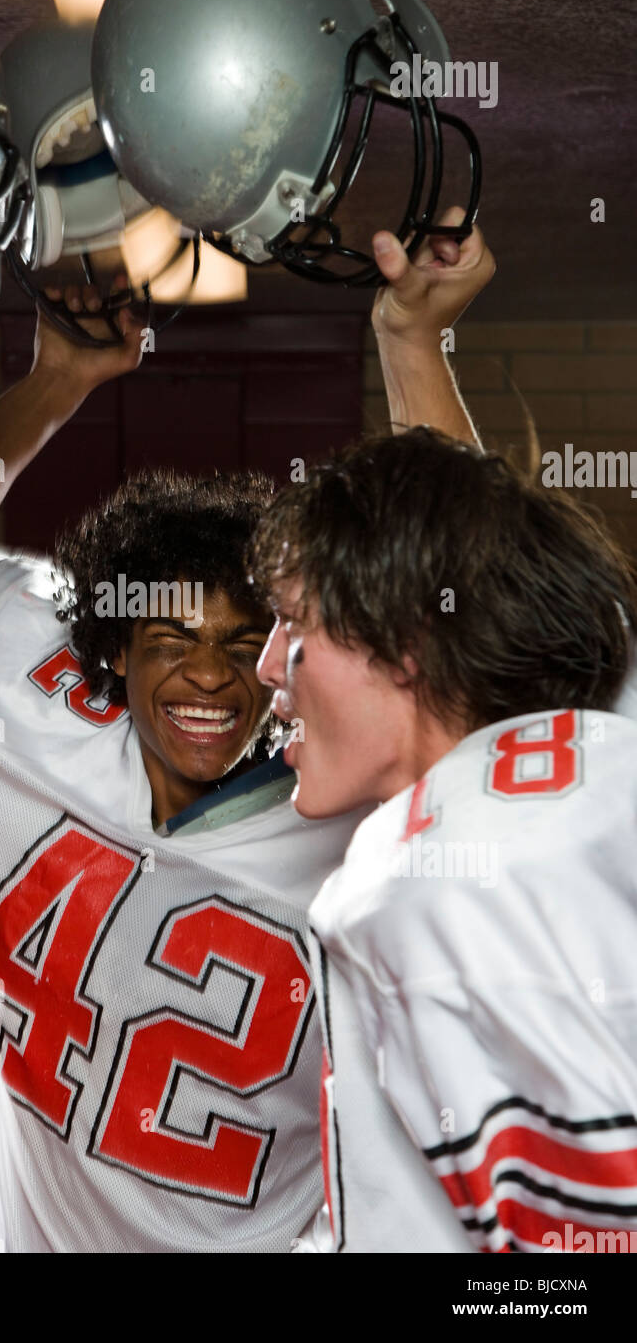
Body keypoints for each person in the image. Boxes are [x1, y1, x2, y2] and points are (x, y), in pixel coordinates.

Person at [0, 217, 494, 1251]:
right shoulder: (12, 681)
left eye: (245, 640)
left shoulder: (354, 794)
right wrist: (52, 384)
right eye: (172, 637)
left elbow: (480, 628)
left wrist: (415, 347)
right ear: (110, 647)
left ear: (286, 654)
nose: (211, 672)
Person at [251, 423, 637, 1253]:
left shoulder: (426, 871)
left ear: (406, 644)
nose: (268, 666)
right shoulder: (596, 757)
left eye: (293, 623)